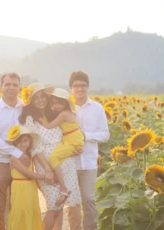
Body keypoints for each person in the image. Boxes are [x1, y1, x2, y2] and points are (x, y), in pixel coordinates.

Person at [19, 83, 82, 230]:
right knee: (53, 205)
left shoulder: (54, 113)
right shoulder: (31, 119)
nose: (41, 100)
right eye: (36, 98)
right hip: (46, 163)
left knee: (61, 206)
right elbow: (35, 146)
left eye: (43, 96)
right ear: (31, 102)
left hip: (65, 162)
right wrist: (47, 169)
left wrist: (75, 148)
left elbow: (69, 132)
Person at [0, 73, 30, 230]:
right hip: (0, 162)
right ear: (1, 87)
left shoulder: (25, 108)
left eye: (14, 85)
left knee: (18, 206)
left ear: (19, 88)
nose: (11, 87)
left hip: (22, 163)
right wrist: (16, 152)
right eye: (7, 84)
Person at [67, 71, 110, 230]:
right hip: (69, 163)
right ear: (71, 88)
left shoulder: (97, 108)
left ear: (88, 87)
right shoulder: (65, 108)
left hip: (89, 163)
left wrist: (85, 136)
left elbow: (105, 135)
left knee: (89, 200)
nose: (79, 89)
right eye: (76, 86)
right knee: (73, 203)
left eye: (83, 85)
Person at [38, 88, 84, 207]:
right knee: (59, 160)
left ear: (65, 103)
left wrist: (40, 119)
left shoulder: (63, 114)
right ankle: (61, 182)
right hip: (71, 139)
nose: (56, 106)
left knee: (53, 158)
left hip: (71, 142)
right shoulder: (67, 112)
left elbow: (49, 126)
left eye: (59, 103)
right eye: (54, 103)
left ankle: (64, 189)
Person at [6, 125, 44, 230]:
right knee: (20, 210)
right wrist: (46, 177)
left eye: (26, 141)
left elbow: (33, 176)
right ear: (15, 143)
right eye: (20, 142)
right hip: (19, 188)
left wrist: (42, 190)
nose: (23, 144)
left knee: (31, 209)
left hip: (30, 188)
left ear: (30, 141)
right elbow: (28, 174)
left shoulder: (30, 156)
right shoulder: (14, 158)